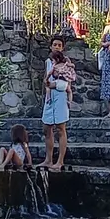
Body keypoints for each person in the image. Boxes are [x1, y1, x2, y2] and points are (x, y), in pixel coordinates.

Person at [42, 40, 75, 171]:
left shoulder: (66, 62)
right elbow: (46, 77)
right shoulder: (48, 62)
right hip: (50, 95)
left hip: (61, 94)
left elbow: (69, 80)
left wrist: (68, 96)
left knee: (61, 128)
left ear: (62, 48)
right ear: (50, 46)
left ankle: (60, 161)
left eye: (59, 45)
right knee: (47, 128)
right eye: (54, 44)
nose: (56, 47)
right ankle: (48, 160)